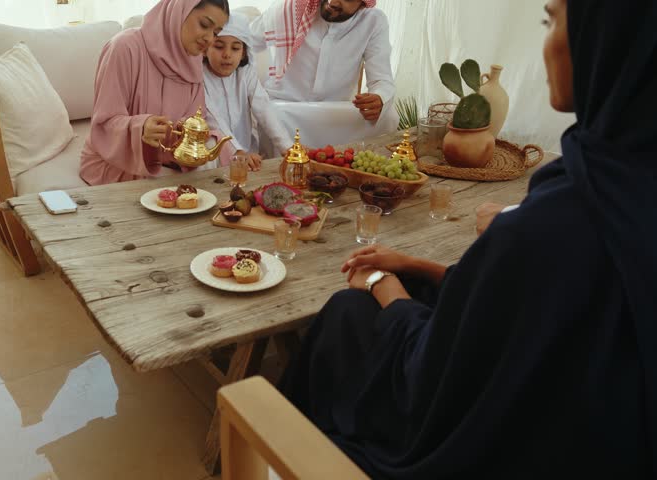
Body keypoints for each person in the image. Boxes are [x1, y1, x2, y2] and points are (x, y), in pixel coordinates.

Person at [279, 0, 657, 477]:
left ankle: (283, 444)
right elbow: (520, 303)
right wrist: (414, 265)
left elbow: (430, 373)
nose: (547, 43)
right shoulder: (623, 189)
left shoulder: (558, 223)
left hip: (502, 441)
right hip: (592, 428)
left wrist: (381, 282)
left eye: (551, 19)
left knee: (346, 313)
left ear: (606, 42)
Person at [79, 0, 233, 186]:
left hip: (169, 161)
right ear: (179, 12)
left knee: (219, 158)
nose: (209, 38)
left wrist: (190, 135)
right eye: (204, 25)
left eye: (215, 33)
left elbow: (193, 121)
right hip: (117, 163)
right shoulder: (125, 47)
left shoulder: (193, 63)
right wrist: (141, 127)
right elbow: (104, 124)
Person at [249, 0, 397, 127]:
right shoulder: (291, 9)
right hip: (284, 110)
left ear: (363, 4)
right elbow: (245, 40)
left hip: (332, 114)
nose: (332, 2)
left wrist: (379, 98)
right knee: (271, 116)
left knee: (388, 117)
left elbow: (381, 80)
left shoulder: (373, 22)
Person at [203, 13, 293, 171]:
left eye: (235, 48)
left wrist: (287, 147)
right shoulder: (198, 77)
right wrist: (237, 151)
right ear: (205, 49)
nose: (227, 54)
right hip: (214, 156)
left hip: (249, 153)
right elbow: (213, 119)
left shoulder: (245, 73)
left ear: (244, 52)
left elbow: (263, 107)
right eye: (218, 46)